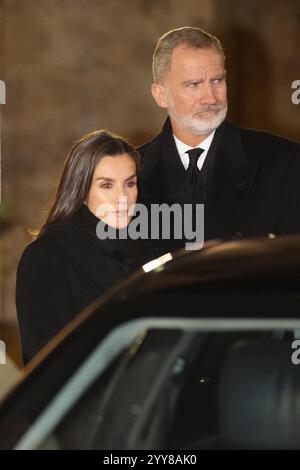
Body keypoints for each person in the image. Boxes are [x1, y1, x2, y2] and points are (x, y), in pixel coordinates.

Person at [138, 26, 300, 256]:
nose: (210, 98)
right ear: (160, 95)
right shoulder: (129, 174)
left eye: (217, 80)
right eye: (194, 84)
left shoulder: (284, 162)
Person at [16, 130, 153, 364]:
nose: (123, 197)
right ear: (81, 190)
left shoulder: (145, 246)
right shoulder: (46, 256)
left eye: (130, 183)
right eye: (106, 185)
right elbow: (46, 362)